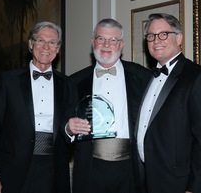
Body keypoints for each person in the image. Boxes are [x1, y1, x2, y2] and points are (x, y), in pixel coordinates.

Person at [136, 13, 201, 193]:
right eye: (151, 36)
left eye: (163, 34)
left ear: (179, 38)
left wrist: (196, 188)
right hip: (149, 179)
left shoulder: (199, 77)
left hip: (180, 183)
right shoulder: (148, 78)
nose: (156, 40)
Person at [0, 21, 71, 193]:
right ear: (31, 44)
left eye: (52, 42)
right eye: (40, 40)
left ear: (58, 48)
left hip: (54, 172)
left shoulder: (66, 84)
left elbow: (68, 127)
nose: (46, 46)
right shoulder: (8, 81)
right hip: (12, 172)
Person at [62, 18, 152, 193]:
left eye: (113, 40)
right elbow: (63, 120)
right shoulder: (75, 81)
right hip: (89, 168)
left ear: (121, 44)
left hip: (131, 168)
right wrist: (68, 128)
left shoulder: (143, 77)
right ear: (93, 42)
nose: (106, 44)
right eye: (101, 38)